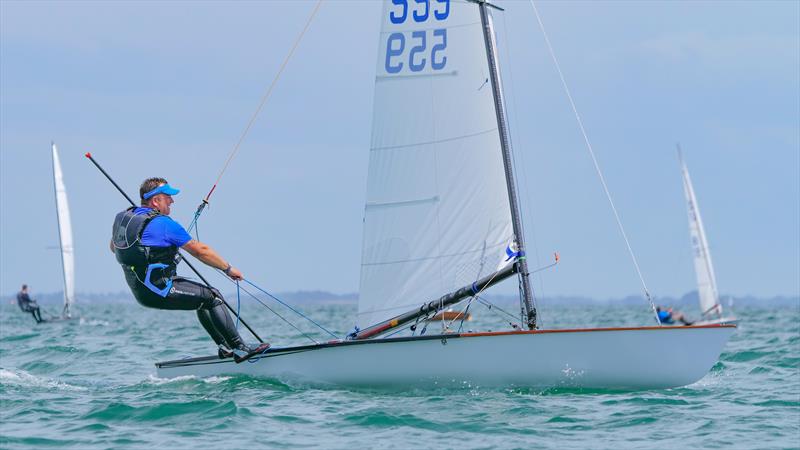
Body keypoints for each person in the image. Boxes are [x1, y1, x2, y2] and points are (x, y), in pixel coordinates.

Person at [110, 177, 269, 362]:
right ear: (155, 201)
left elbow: (114, 247)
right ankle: (240, 348)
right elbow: (200, 251)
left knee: (204, 298)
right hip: (160, 289)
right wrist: (228, 269)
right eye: (167, 196)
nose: (172, 201)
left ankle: (225, 348)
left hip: (141, 291)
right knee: (214, 298)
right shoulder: (163, 224)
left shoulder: (125, 219)